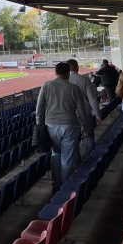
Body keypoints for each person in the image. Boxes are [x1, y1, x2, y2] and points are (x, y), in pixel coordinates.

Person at [36, 62, 91, 193]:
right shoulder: (74, 88)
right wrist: (85, 127)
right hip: (70, 126)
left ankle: (56, 185)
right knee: (67, 159)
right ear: (68, 73)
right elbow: (81, 111)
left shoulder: (47, 85)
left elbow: (39, 107)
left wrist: (39, 123)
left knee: (56, 155)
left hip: (51, 126)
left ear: (56, 72)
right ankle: (65, 189)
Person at [67, 59, 101, 154]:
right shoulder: (84, 79)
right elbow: (92, 98)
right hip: (85, 112)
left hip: (70, 115)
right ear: (77, 67)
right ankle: (92, 160)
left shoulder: (65, 81)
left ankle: (77, 162)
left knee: (72, 140)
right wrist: (97, 114)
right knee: (89, 137)